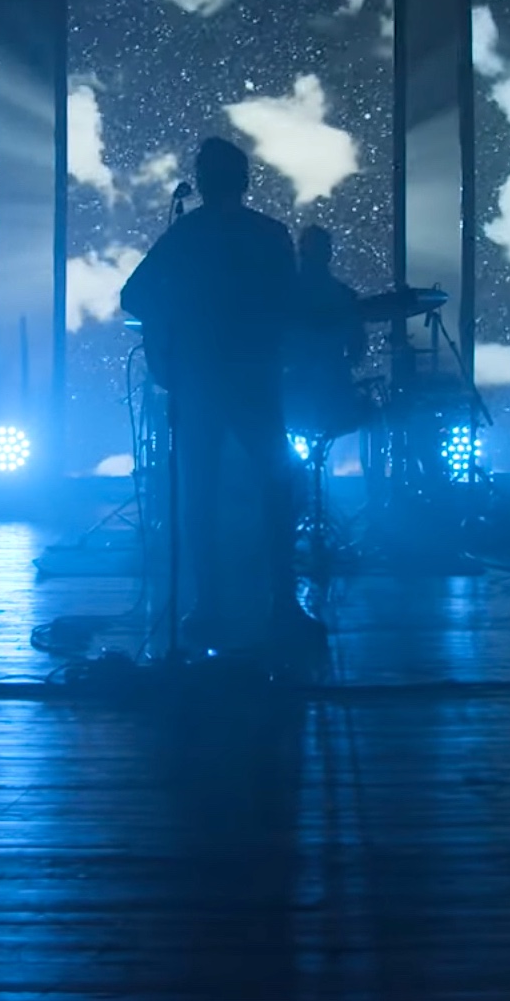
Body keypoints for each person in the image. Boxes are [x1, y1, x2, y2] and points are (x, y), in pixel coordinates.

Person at [122, 138, 310, 657]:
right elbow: (290, 307)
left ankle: (206, 604)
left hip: (200, 380)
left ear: (201, 183)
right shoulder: (271, 235)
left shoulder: (186, 233)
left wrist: (171, 331)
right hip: (254, 379)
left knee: (197, 493)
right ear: (246, 181)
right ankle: (283, 602)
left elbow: (133, 295)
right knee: (277, 489)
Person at [283, 225, 368, 441]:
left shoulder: (285, 293)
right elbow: (357, 346)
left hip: (297, 385)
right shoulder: (343, 295)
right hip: (332, 385)